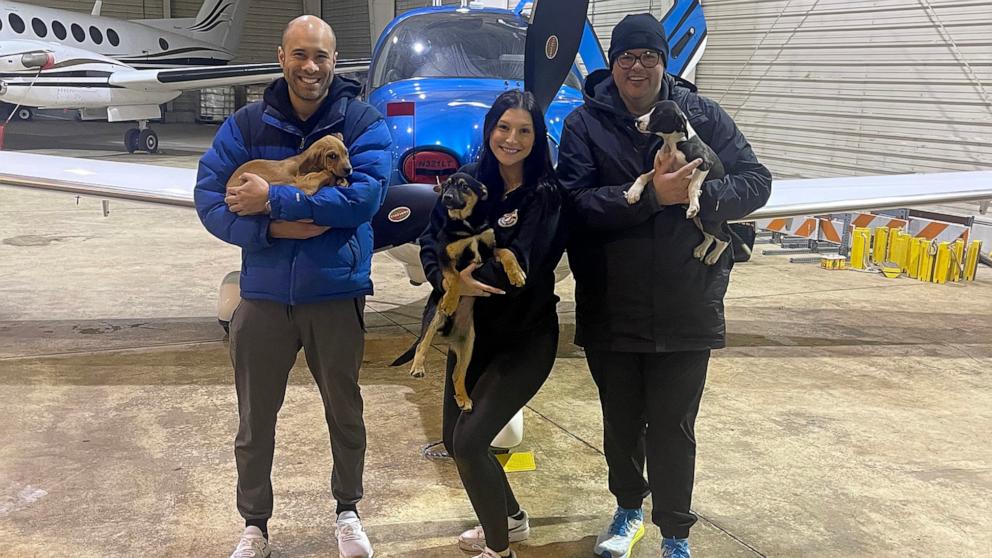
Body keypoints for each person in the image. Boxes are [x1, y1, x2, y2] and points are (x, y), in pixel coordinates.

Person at [557, 13, 773, 558]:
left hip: (687, 302)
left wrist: (703, 196)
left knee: (675, 428)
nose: (638, 66)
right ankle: (628, 509)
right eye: (627, 56)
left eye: (649, 56)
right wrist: (654, 195)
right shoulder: (586, 124)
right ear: (612, 62)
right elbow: (574, 204)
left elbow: (757, 180)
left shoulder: (702, 114)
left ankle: (675, 534)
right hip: (613, 302)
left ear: (664, 61)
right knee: (622, 424)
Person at [193, 16, 391, 558]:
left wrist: (276, 201)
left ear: (335, 61)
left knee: (345, 413)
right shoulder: (246, 125)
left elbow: (366, 199)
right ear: (282, 58)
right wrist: (268, 229)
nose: (311, 67)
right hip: (263, 296)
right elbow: (210, 200)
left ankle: (348, 512)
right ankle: (254, 525)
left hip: (335, 292)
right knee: (255, 420)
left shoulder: (363, 122)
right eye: (300, 55)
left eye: (321, 56)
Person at [418, 89, 565, 558]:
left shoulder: (546, 195)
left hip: (525, 337)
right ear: (489, 130)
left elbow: (522, 264)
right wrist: (444, 279)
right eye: (504, 127)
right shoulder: (465, 181)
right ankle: (513, 520)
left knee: (471, 441)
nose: (512, 138)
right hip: (471, 336)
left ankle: (500, 551)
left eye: (525, 130)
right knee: (453, 437)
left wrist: (464, 276)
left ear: (537, 137)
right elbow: (429, 239)